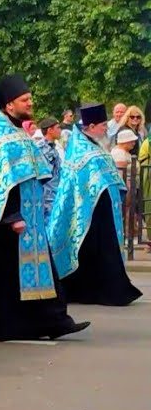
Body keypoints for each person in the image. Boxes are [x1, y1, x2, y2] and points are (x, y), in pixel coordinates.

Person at [0, 75, 89, 341]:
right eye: (25, 100)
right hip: (6, 221)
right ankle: (6, 324)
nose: (30, 103)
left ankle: (52, 321)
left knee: (32, 271)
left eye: (30, 98)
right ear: (9, 104)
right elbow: (0, 181)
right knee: (4, 276)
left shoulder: (14, 129)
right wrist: (12, 216)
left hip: (30, 217)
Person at [49, 104, 141, 306]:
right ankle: (92, 291)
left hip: (100, 209)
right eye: (102, 125)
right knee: (90, 251)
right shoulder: (82, 149)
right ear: (91, 126)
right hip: (89, 212)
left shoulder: (93, 144)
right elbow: (84, 182)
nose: (106, 129)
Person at [33, 117, 63, 221]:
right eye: (58, 128)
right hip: (48, 197)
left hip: (54, 193)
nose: (60, 130)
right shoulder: (42, 148)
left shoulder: (51, 146)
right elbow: (43, 176)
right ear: (50, 130)